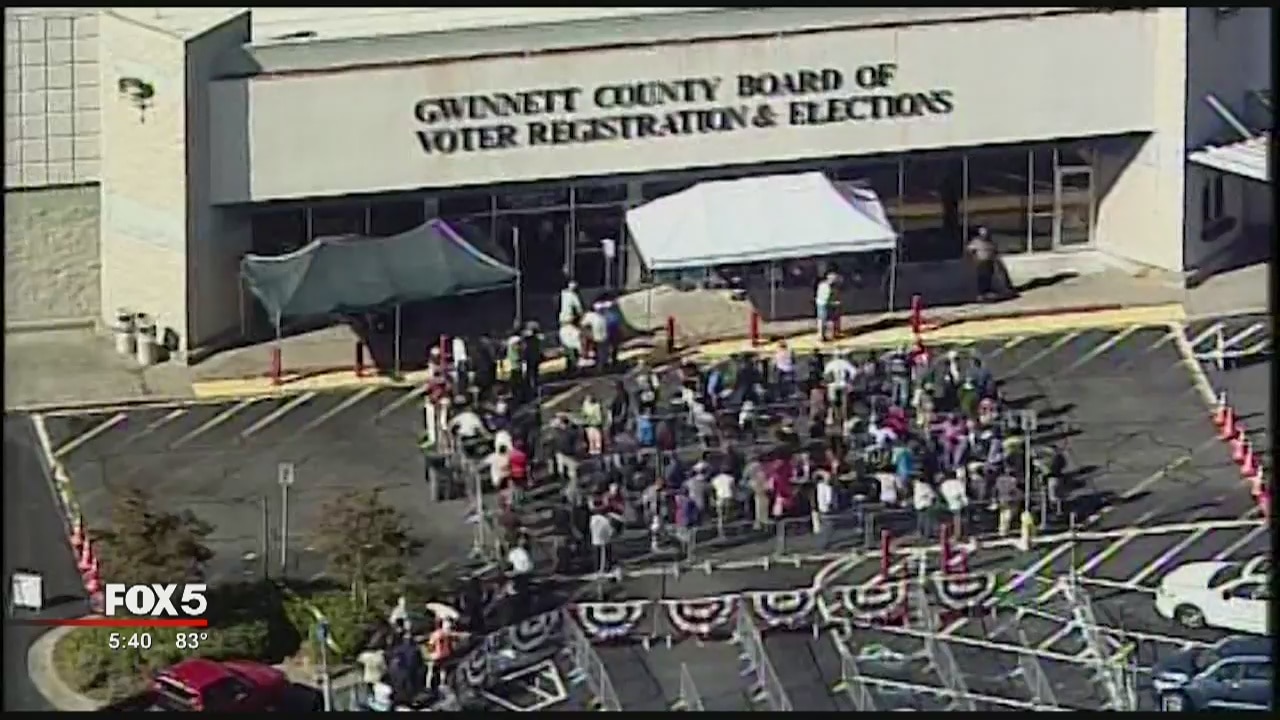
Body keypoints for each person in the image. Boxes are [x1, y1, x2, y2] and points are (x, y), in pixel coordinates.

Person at [967, 226, 999, 301]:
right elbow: (969, 250)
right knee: (982, 278)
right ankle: (981, 294)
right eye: (982, 232)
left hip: (989, 262)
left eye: (985, 232)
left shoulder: (990, 241)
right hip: (981, 262)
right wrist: (973, 258)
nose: (984, 234)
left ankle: (987, 292)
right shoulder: (976, 241)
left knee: (988, 278)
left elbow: (994, 251)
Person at [815, 271, 836, 341]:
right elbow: (826, 298)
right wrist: (833, 303)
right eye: (833, 279)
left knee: (822, 320)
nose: (834, 281)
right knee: (823, 320)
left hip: (821, 303)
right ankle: (821, 336)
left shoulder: (822, 284)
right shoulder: (826, 287)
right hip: (823, 304)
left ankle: (823, 335)